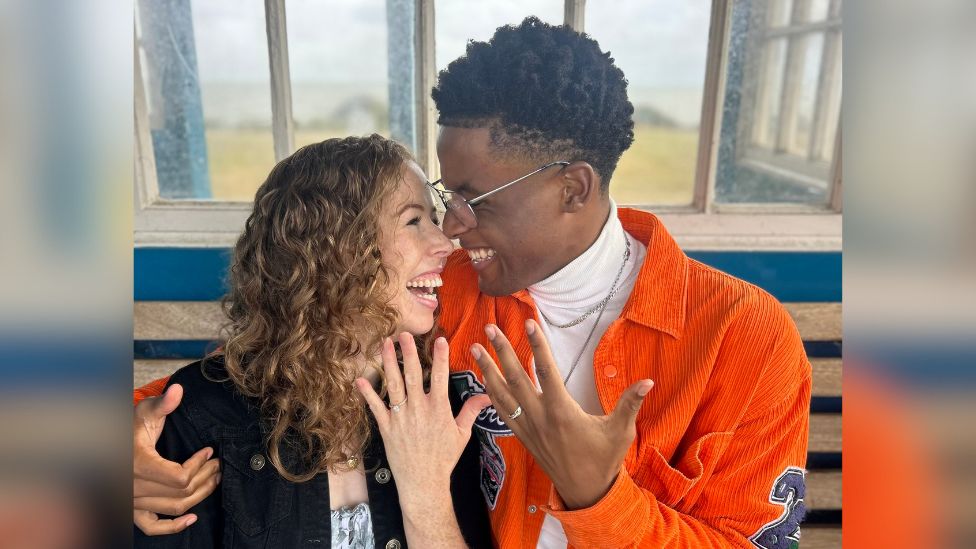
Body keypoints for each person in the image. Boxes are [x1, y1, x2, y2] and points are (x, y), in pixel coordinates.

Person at [135, 17, 811, 548]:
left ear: (571, 186)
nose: (452, 228)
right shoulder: (442, 293)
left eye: (473, 198)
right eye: (439, 197)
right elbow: (284, 357)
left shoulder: (743, 340)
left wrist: (598, 494)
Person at [133, 135, 493, 548]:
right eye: (414, 221)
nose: (445, 244)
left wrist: (425, 490)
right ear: (333, 248)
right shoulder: (203, 415)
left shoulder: (442, 404)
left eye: (434, 218)